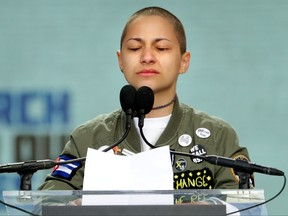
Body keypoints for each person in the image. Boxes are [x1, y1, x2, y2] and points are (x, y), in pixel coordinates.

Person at [38, 6, 254, 192]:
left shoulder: (217, 138)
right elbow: (49, 200)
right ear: (120, 60)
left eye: (161, 48)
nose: (147, 57)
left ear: (184, 62)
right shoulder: (89, 139)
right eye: (134, 48)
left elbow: (244, 205)